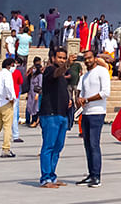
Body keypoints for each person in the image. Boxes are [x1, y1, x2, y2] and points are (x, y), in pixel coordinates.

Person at [75, 48, 109, 187]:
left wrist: (87, 99)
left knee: (94, 144)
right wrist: (79, 99)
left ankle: (97, 176)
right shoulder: (85, 76)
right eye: (85, 58)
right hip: (86, 113)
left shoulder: (102, 71)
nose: (87, 60)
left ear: (95, 58)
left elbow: (105, 92)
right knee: (87, 145)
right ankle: (91, 174)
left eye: (89, 58)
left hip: (97, 112)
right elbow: (80, 92)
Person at [39, 46, 71, 188]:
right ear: (53, 58)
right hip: (50, 114)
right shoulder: (50, 70)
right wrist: (67, 64)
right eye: (60, 58)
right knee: (49, 146)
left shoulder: (63, 75)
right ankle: (45, 178)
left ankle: (52, 176)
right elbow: (57, 72)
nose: (62, 60)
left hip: (61, 115)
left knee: (58, 147)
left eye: (64, 58)